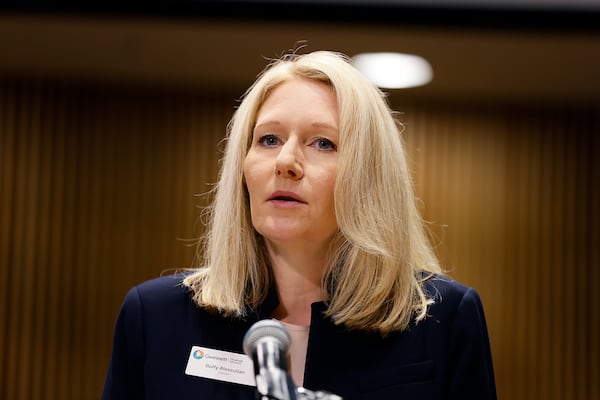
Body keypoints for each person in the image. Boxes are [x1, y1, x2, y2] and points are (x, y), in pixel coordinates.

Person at [102, 49, 497, 400]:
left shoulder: (444, 320)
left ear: (368, 175)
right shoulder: (154, 317)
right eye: (269, 139)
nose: (285, 162)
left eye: (322, 143)